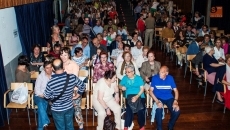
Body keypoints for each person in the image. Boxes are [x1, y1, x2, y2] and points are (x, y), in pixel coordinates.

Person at [43, 59, 85, 130]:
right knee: (70, 126)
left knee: (60, 128)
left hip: (57, 109)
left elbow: (46, 96)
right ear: (63, 67)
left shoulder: (50, 83)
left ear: (53, 69)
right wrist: (77, 96)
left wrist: (53, 96)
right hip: (69, 107)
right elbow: (82, 86)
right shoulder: (72, 77)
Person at [149, 66, 180, 130]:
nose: (160, 73)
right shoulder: (155, 78)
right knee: (159, 109)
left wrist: (175, 101)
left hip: (169, 98)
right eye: (160, 72)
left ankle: (170, 126)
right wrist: (157, 101)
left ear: (167, 73)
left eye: (162, 72)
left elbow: (176, 91)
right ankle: (159, 128)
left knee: (177, 111)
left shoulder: (170, 78)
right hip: (159, 98)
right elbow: (151, 91)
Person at [119, 64, 145, 130]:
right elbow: (119, 85)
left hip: (139, 95)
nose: (127, 73)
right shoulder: (125, 78)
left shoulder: (138, 78)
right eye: (126, 72)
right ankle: (126, 126)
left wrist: (136, 97)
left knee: (140, 109)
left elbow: (142, 89)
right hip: (129, 96)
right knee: (129, 109)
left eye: (128, 72)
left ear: (133, 72)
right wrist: (122, 87)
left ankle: (141, 126)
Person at [34, 61, 53, 130]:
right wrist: (43, 95)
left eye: (51, 67)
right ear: (44, 69)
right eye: (47, 68)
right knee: (41, 103)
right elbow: (36, 90)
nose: (49, 69)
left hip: (49, 96)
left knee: (41, 107)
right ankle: (45, 121)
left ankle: (40, 127)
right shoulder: (40, 76)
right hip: (39, 96)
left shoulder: (54, 75)